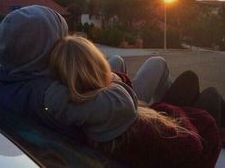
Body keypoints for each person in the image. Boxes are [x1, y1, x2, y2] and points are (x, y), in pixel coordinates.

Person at [50, 35, 221, 168]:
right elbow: (192, 146)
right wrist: (168, 110)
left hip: (161, 124)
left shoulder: (81, 107)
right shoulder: (128, 120)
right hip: (192, 142)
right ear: (100, 65)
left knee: (189, 79)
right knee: (210, 95)